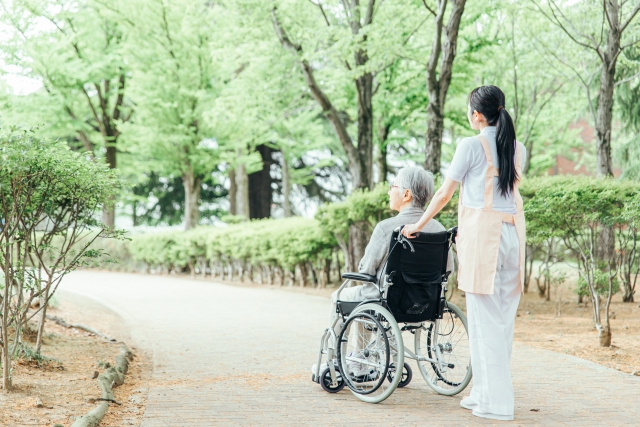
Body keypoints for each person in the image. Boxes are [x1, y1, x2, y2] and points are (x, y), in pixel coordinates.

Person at [401, 85, 526, 421]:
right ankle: (484, 392)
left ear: (476, 115)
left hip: (485, 238)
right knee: (500, 320)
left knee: (486, 322)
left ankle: (497, 404)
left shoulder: (470, 145)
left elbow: (443, 194)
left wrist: (417, 225)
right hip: (513, 236)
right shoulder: (518, 148)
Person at [312, 166, 452, 375]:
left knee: (343, 296)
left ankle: (345, 361)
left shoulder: (387, 228)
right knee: (365, 297)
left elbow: (367, 269)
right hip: (426, 302)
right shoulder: (439, 229)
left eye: (392, 186)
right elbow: (447, 269)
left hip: (388, 300)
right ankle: (374, 359)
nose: (389, 191)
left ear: (406, 194)